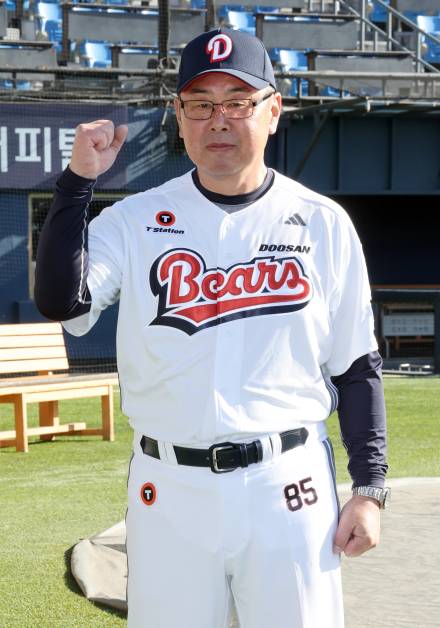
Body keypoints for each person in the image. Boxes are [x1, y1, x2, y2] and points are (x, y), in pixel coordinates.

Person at [35, 27, 389, 628]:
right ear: (179, 115)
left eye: (237, 103)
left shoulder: (323, 224)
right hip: (168, 488)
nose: (218, 120)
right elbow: (59, 300)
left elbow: (356, 367)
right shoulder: (136, 219)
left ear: (273, 110)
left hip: (288, 485)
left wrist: (371, 487)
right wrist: (76, 183)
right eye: (200, 105)